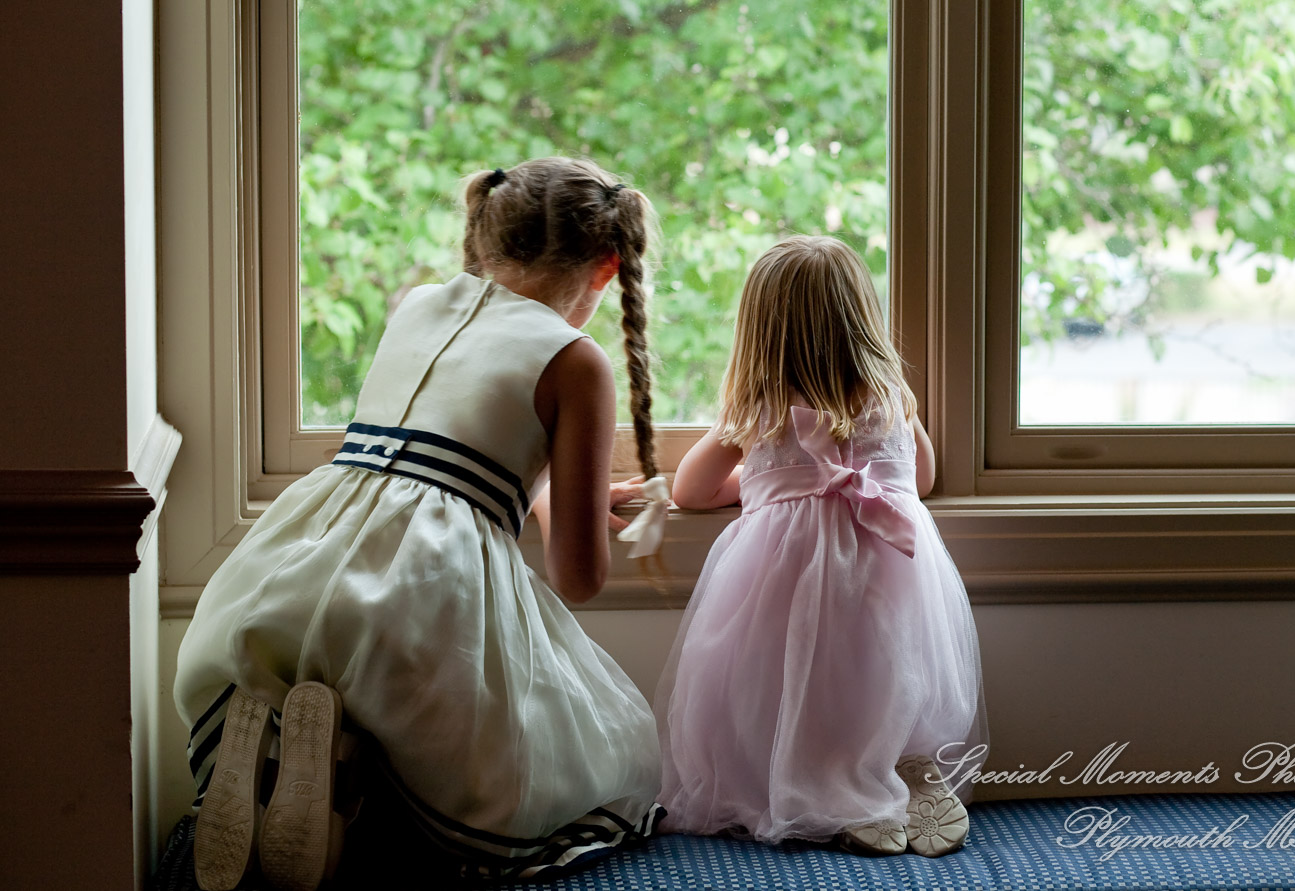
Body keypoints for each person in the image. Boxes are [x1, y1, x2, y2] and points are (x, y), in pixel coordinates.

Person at [174, 157, 665, 890]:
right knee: (609, 760)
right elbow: (577, 577)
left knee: (354, 691)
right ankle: (343, 789)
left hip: (289, 576)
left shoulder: (417, 306)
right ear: (606, 268)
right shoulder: (576, 360)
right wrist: (581, 501)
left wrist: (540, 488)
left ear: (486, 231)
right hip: (420, 608)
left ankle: (296, 769)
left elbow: (446, 461)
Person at [656, 235, 987, 858]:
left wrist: (764, 486)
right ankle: (902, 766)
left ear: (760, 332)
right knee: (888, 673)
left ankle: (837, 788)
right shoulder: (891, 399)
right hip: (893, 575)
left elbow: (691, 491)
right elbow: (922, 479)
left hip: (790, 575)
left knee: (800, 688)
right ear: (863, 317)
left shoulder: (756, 411)